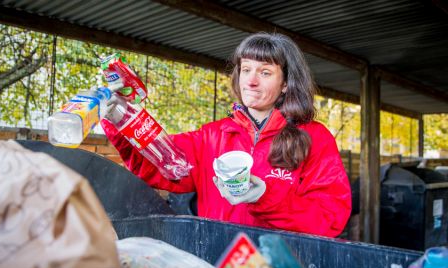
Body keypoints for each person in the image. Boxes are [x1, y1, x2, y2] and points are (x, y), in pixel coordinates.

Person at [101, 32, 352, 237]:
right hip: (219, 264)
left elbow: (330, 218)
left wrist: (267, 198)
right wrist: (120, 119)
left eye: (265, 72)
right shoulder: (212, 135)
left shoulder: (314, 138)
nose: (251, 81)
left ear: (285, 83)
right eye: (246, 69)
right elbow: (158, 162)